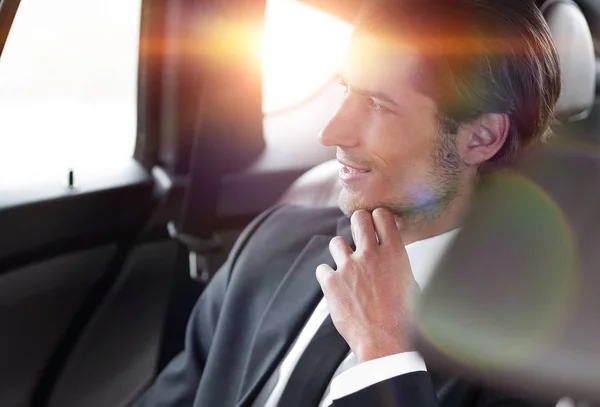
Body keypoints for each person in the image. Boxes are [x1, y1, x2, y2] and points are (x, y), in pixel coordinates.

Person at [134, 0, 561, 406]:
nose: (332, 132)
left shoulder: (539, 351)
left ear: (481, 137)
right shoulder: (268, 245)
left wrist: (386, 355)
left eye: (378, 104)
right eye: (346, 90)